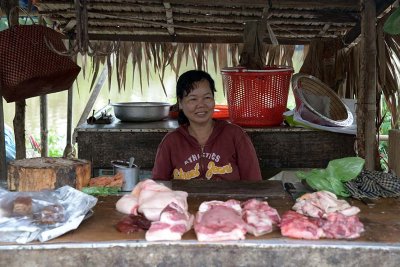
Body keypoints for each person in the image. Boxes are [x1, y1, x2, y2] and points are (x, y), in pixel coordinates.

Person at [152, 70, 262, 181]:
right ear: (180, 103)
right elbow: (157, 189)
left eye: (207, 97)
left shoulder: (235, 136)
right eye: (193, 99)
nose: (201, 105)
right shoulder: (171, 142)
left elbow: (255, 185)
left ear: (213, 100)